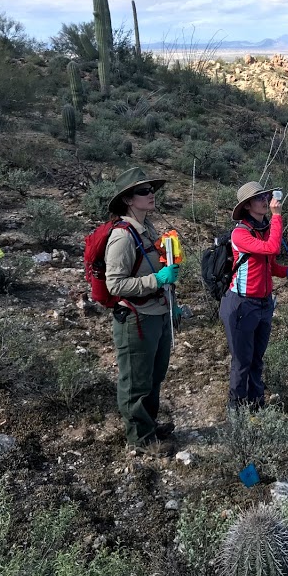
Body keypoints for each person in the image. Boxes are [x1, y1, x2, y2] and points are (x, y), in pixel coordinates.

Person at [105, 167, 180, 454]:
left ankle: (148, 425)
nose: (151, 195)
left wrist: (171, 301)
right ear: (128, 199)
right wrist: (156, 280)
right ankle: (141, 438)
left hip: (157, 313)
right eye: (143, 191)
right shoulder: (123, 237)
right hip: (136, 319)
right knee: (136, 380)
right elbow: (115, 284)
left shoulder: (147, 230)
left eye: (151, 190)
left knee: (153, 375)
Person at [219, 182, 288, 411]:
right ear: (247, 205)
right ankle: (236, 412)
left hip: (264, 304)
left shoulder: (262, 229)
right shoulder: (240, 233)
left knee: (257, 358)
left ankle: (257, 404)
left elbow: (269, 264)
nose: (265, 200)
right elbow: (271, 248)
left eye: (266, 195)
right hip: (242, 305)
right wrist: (277, 216)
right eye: (259, 198)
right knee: (241, 362)